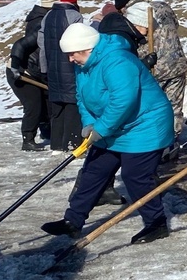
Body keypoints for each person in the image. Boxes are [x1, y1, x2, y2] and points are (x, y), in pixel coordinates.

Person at [40, 24, 175, 244]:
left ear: (87, 48)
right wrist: (89, 124)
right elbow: (81, 96)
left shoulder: (118, 61)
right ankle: (73, 221)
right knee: (94, 170)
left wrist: (101, 129)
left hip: (145, 125)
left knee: (135, 176)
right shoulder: (84, 65)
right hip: (113, 124)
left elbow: (123, 102)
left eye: (72, 53)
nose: (70, 59)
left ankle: (156, 223)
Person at [120, 0, 187, 138]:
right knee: (174, 107)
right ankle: (173, 140)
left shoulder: (133, 14)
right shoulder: (163, 6)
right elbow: (175, 25)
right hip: (177, 62)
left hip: (156, 66)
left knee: (156, 107)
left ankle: (157, 140)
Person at [39, 0, 84, 151]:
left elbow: (42, 43)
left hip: (52, 69)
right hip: (71, 68)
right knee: (72, 105)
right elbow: (79, 44)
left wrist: (45, 69)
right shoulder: (74, 16)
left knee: (57, 106)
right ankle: (72, 142)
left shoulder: (48, 15)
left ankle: (56, 143)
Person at [7, 0, 56, 151]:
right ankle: (27, 140)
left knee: (45, 104)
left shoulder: (41, 19)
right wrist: (15, 65)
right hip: (22, 72)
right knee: (33, 106)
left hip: (34, 72)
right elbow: (20, 44)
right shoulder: (41, 23)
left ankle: (47, 132)